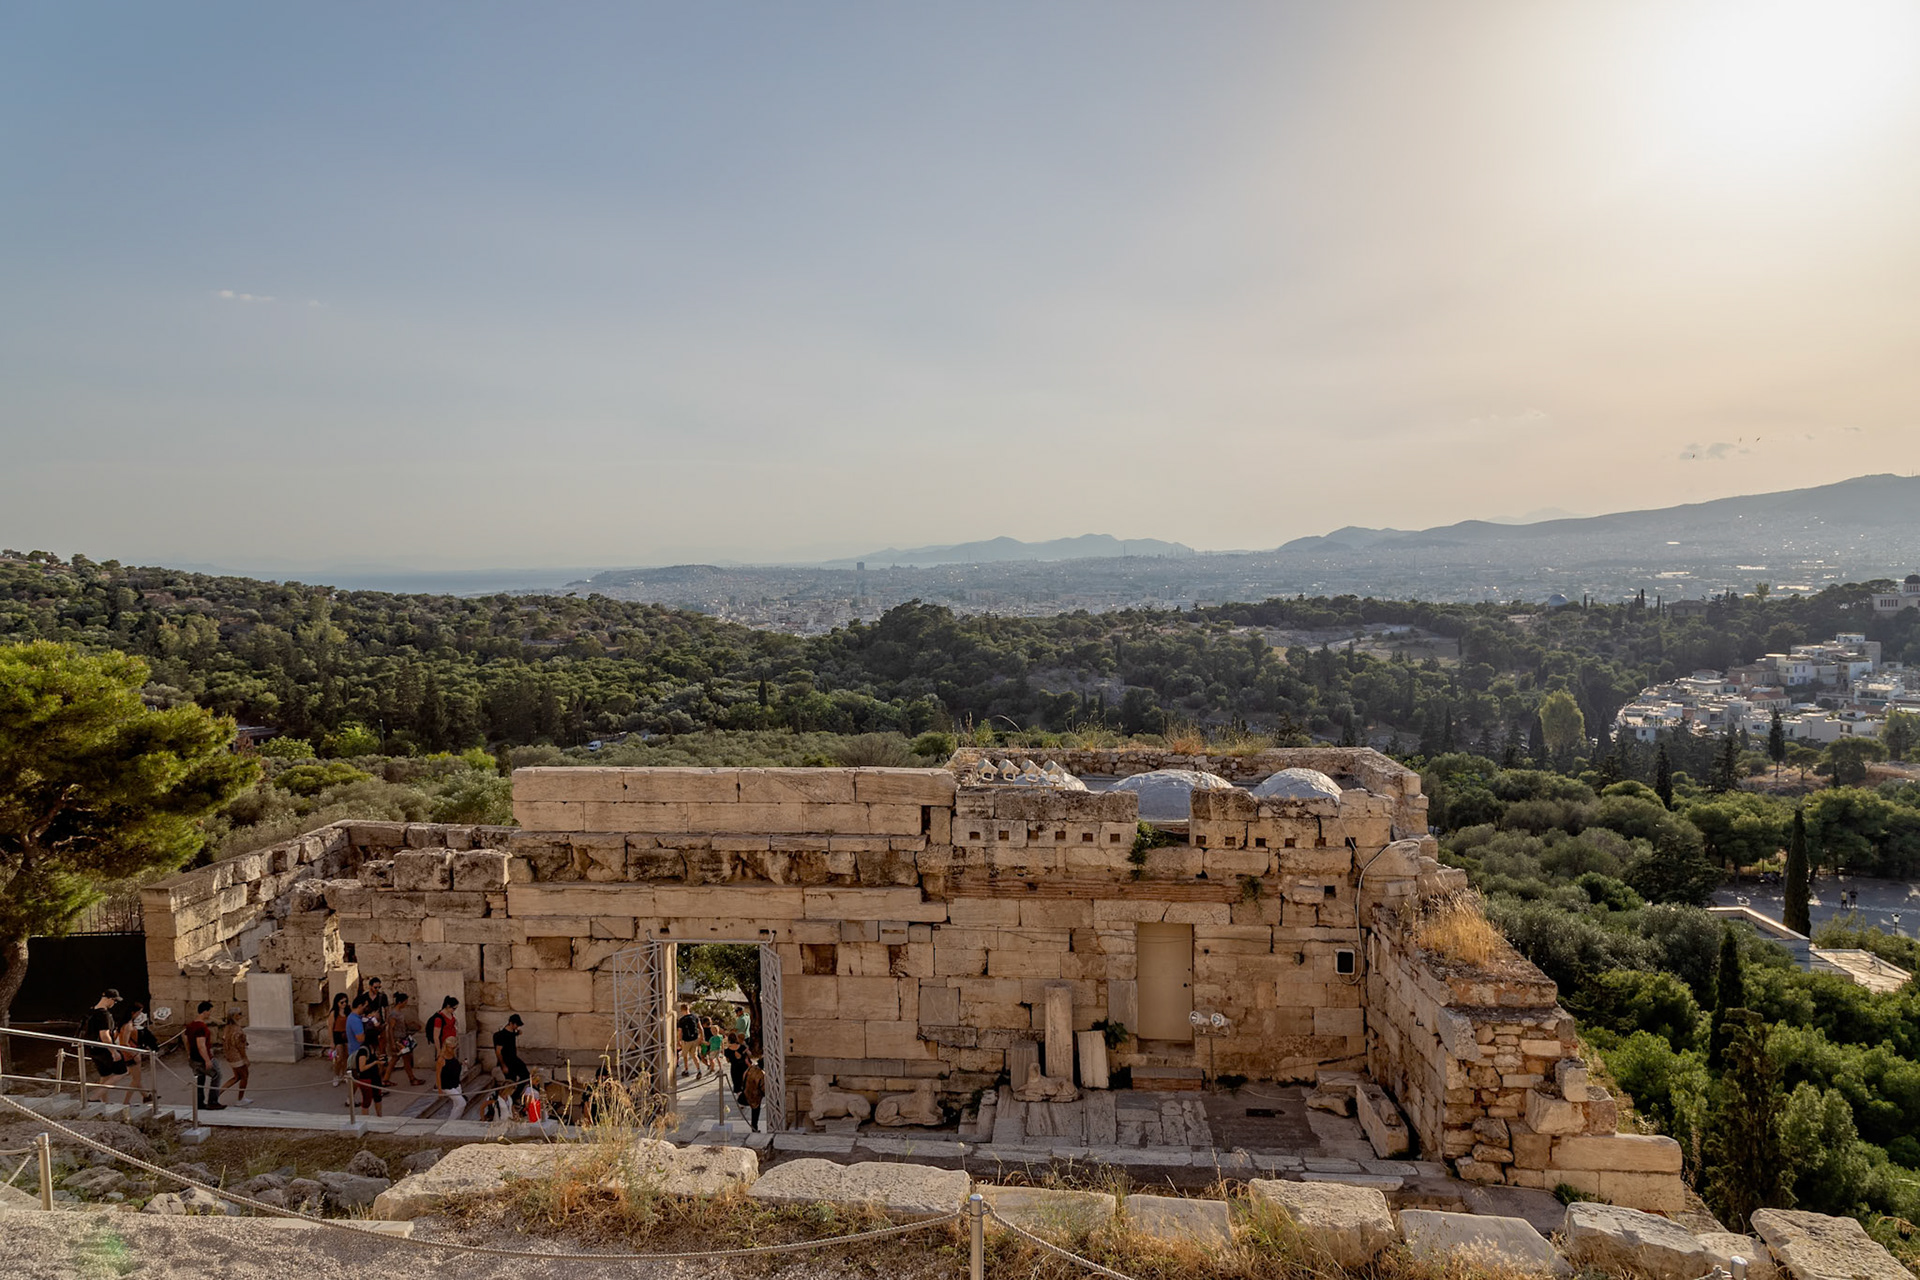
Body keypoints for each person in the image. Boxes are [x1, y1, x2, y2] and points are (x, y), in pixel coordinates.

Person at [82, 990, 127, 1103]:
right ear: (109, 999)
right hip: (102, 1048)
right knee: (122, 1071)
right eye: (115, 1001)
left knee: (105, 1074)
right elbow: (104, 1035)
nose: (114, 1004)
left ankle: (104, 1101)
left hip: (91, 1047)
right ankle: (94, 1098)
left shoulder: (91, 1011)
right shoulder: (104, 1015)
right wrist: (114, 1051)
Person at [186, 1001, 224, 1111]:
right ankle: (213, 1101)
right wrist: (207, 1060)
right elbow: (201, 1045)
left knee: (199, 1079)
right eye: (209, 1012)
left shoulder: (190, 1025)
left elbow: (186, 1040)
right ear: (205, 1011)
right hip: (202, 1058)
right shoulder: (201, 1027)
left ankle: (199, 1102)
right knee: (217, 1075)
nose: (210, 1014)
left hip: (193, 1058)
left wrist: (188, 1054)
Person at [117, 1002, 154, 1100]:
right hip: (130, 1054)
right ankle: (126, 1101)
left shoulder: (123, 1024)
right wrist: (134, 1054)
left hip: (128, 1053)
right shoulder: (128, 1025)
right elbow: (124, 1043)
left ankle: (145, 1096)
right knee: (136, 1079)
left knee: (136, 1077)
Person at [388, 992, 422, 1086]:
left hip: (402, 1038)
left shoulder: (399, 1013)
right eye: (405, 1002)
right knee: (403, 1059)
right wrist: (392, 1043)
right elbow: (390, 1029)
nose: (406, 1004)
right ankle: (412, 1079)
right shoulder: (394, 1014)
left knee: (397, 1059)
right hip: (398, 1040)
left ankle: (386, 1079)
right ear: (400, 1002)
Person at [219, 1008, 251, 1106]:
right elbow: (240, 1046)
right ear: (234, 1016)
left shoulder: (227, 1027)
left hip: (230, 1056)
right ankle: (240, 1099)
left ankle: (215, 1094)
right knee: (244, 1076)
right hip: (237, 1057)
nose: (241, 1015)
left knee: (236, 1077)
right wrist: (245, 1058)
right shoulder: (238, 1030)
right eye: (239, 1014)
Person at [350, 1034, 386, 1118]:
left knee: (378, 1097)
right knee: (367, 1101)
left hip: (375, 1077)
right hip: (366, 1078)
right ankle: (365, 1120)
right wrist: (375, 1062)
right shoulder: (363, 1051)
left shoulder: (372, 1048)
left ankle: (379, 1117)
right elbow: (362, 1068)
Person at [492, 1014, 531, 1089]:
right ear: (511, 1023)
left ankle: (515, 1096)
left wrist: (517, 1033)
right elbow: (498, 1052)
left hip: (514, 1060)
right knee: (511, 1082)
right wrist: (503, 1065)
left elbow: (511, 1035)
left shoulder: (512, 1032)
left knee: (526, 1076)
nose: (517, 1027)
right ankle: (512, 1098)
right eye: (516, 1025)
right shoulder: (502, 1035)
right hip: (507, 1062)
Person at [328, 993, 351, 1085]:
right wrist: (331, 1042)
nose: (344, 1004)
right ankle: (336, 1075)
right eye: (342, 1002)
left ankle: (344, 1074)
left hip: (347, 1034)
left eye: (345, 1001)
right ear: (337, 1003)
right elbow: (330, 1027)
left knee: (347, 1056)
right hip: (337, 1035)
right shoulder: (334, 1013)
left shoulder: (348, 1011)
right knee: (339, 1058)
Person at [739, 1055, 766, 1132]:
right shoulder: (761, 1074)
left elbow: (744, 1076)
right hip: (755, 1096)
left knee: (754, 1111)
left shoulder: (751, 1068)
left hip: (747, 1091)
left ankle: (754, 1128)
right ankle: (754, 1128)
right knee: (755, 1113)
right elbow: (763, 1087)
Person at [435, 1034, 464, 1102]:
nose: (453, 1049)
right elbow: (438, 1075)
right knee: (461, 1103)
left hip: (456, 1083)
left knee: (458, 1104)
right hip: (447, 1085)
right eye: (452, 1048)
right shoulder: (441, 1059)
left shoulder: (454, 1055)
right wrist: (439, 1090)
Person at [676, 1003, 700, 1078]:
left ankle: (686, 1070)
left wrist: (678, 1041)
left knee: (685, 1055)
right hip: (695, 1039)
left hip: (686, 1040)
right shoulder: (695, 1017)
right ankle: (699, 1070)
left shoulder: (682, 1020)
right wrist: (702, 1037)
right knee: (694, 1055)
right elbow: (700, 1028)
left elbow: (680, 1032)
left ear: (682, 1010)